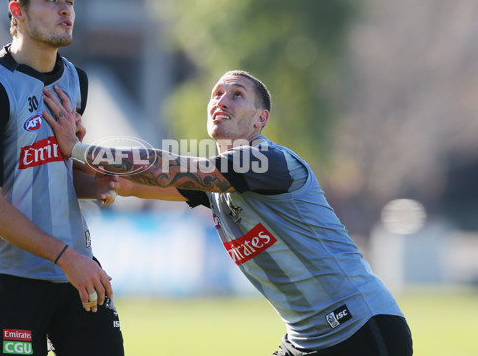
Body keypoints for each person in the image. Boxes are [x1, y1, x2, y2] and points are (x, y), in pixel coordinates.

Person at [43, 70, 413, 356]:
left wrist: (79, 149)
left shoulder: (266, 160)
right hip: (307, 338)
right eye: (217, 93)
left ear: (259, 120)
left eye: (237, 95)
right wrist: (60, 152)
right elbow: (128, 183)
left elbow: (163, 168)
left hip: (360, 327)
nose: (222, 99)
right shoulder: (218, 181)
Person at [0, 0, 123, 356]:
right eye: (50, 0)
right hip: (11, 280)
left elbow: (54, 171)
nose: (65, 10)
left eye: (69, 1)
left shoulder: (77, 80)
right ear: (18, 11)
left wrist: (91, 183)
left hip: (77, 275)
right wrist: (66, 258)